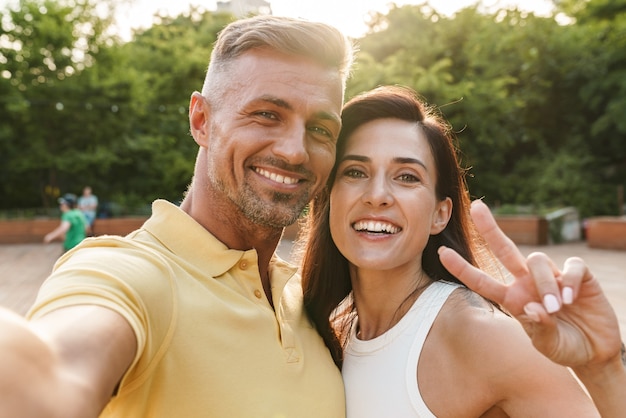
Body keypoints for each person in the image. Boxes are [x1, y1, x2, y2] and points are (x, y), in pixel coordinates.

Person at [0, 15, 354, 417]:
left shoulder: (302, 296)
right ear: (201, 120)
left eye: (321, 129)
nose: (295, 151)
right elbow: (56, 369)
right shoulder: (132, 276)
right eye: (267, 114)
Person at [301, 85, 601, 417]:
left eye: (406, 176)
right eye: (355, 172)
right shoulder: (332, 332)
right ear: (329, 197)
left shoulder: (481, 335)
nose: (377, 195)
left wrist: (602, 364)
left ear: (439, 214)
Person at [439, 198, 626, 417]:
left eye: (407, 177)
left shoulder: (494, 341)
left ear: (440, 212)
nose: (386, 195)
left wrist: (603, 370)